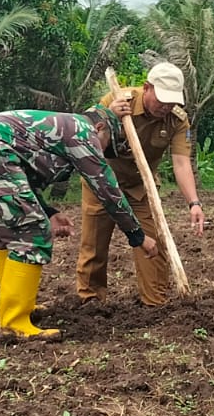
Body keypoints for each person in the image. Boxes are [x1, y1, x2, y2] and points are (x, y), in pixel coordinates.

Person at [0, 105, 159, 341]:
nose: (102, 152)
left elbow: (23, 177)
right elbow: (106, 188)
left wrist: (49, 212)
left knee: (10, 234)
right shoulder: (81, 130)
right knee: (31, 233)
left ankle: (16, 306)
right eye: (106, 145)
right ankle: (14, 322)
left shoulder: (60, 127)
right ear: (99, 127)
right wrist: (137, 236)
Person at [76, 61, 206, 306]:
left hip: (140, 188)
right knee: (94, 246)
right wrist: (109, 115)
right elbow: (82, 133)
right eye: (162, 100)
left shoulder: (177, 120)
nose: (166, 107)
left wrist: (194, 203)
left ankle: (155, 303)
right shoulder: (116, 99)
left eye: (172, 102)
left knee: (153, 242)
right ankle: (90, 302)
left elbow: (181, 163)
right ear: (147, 87)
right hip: (102, 184)